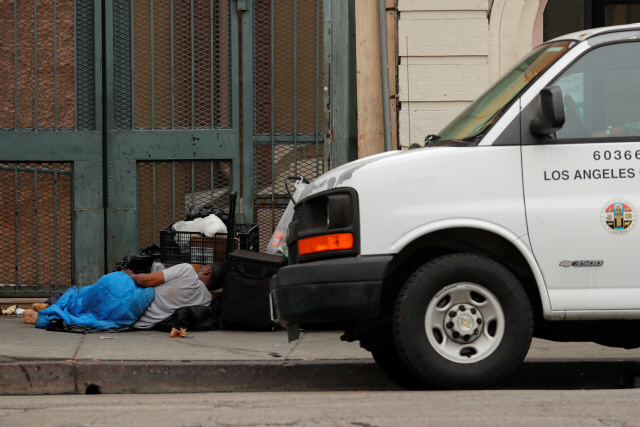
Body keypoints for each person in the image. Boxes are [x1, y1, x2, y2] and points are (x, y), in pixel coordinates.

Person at [22, 264, 225, 330]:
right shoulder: (206, 302)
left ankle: (52, 305)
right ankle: (51, 308)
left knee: (107, 284)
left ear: (207, 272)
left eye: (204, 267)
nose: (200, 268)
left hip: (132, 303)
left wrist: (130, 275)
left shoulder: (187, 271)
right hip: (133, 321)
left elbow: (146, 281)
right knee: (96, 308)